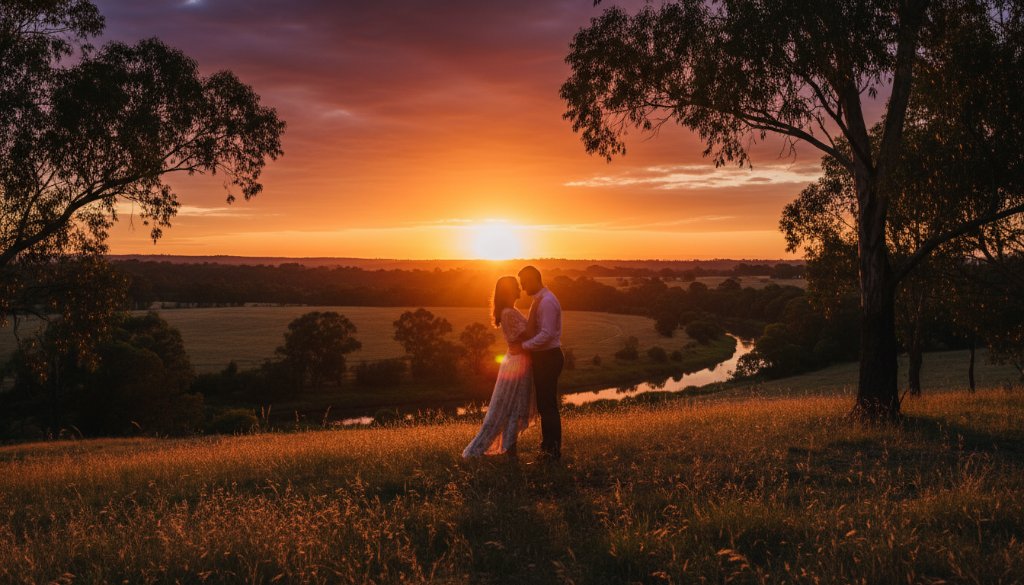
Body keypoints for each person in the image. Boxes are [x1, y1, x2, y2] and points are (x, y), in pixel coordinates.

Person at [462, 276, 537, 458]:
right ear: (509, 291)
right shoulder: (508, 313)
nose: (520, 289)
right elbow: (526, 335)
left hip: (518, 361)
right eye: (516, 287)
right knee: (511, 408)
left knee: (514, 408)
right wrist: (535, 309)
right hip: (517, 364)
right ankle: (489, 451)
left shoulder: (511, 310)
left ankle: (510, 452)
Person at [513, 265, 564, 460]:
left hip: (549, 357)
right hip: (544, 357)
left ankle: (552, 451)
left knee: (548, 406)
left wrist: (524, 347)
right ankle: (548, 447)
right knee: (545, 405)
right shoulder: (540, 300)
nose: (523, 288)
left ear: (535, 279)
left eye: (525, 283)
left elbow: (547, 334)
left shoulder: (547, 302)